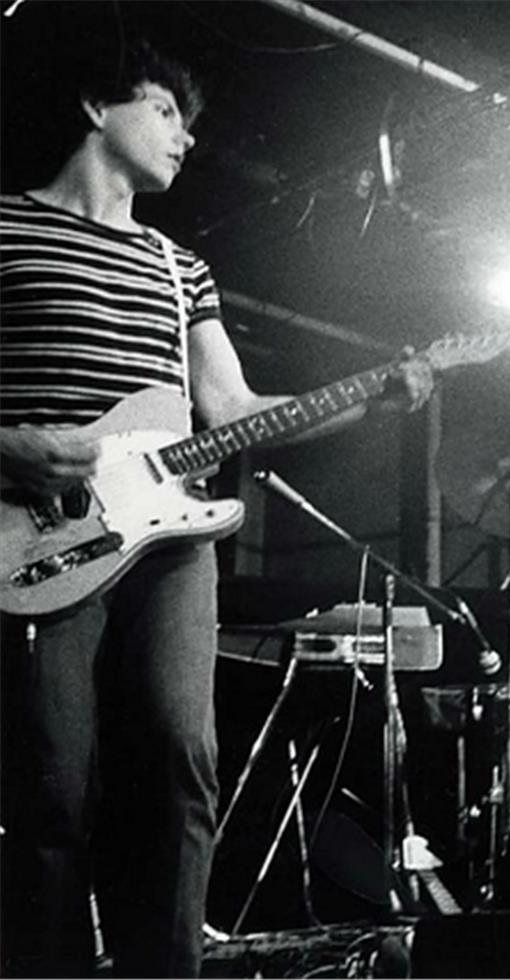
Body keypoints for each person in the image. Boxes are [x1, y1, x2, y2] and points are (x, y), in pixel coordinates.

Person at [0, 38, 432, 977]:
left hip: (164, 547)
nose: (186, 138)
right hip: (34, 535)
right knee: (51, 784)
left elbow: (230, 412)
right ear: (94, 105)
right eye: (165, 111)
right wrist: (10, 447)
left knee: (178, 762)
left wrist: (372, 393)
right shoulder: (4, 231)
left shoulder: (177, 267)